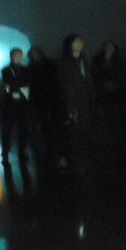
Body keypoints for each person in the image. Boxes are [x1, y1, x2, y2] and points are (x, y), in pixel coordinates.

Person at [58, 34, 95, 172]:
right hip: (73, 103)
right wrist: (70, 107)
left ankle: (78, 160)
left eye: (80, 41)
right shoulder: (65, 63)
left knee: (82, 131)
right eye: (76, 42)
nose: (79, 44)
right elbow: (66, 86)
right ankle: (67, 158)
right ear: (69, 45)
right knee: (72, 131)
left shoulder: (84, 61)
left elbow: (87, 82)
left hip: (85, 101)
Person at [28, 46, 59, 170]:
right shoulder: (35, 67)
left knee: (47, 125)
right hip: (38, 100)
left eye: (35, 53)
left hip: (47, 99)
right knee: (41, 125)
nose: (34, 55)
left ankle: (47, 150)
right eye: (33, 54)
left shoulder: (45, 66)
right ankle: (45, 150)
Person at [1, 49, 31, 163]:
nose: (18, 57)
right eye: (16, 55)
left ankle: (21, 151)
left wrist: (16, 88)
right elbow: (8, 85)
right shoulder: (6, 70)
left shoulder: (26, 70)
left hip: (23, 103)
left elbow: (27, 84)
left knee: (24, 128)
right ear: (11, 56)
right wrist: (19, 89)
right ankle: (5, 151)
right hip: (10, 103)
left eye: (20, 55)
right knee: (7, 128)